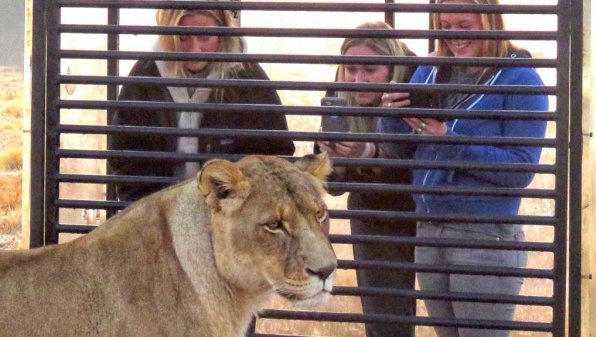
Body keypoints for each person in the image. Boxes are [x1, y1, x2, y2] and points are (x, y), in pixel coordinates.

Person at [373, 1, 549, 337]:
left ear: (489, 22)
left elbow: (520, 170)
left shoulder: (521, 80)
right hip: (428, 232)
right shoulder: (430, 71)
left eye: (464, 26)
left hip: (484, 237)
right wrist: (391, 116)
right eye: (446, 25)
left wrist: (448, 139)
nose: (454, 36)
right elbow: (400, 151)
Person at [108, 5, 294, 202]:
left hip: (231, 216)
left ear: (222, 33)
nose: (194, 49)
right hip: (162, 215)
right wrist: (145, 214)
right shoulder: (145, 76)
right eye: (182, 37)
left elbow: (276, 154)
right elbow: (124, 154)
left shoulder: (249, 79)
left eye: (204, 37)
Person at [315, 21, 417, 337]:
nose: (358, 80)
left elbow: (426, 163)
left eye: (370, 70)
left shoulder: (417, 85)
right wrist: (334, 160)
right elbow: (333, 186)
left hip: (427, 210)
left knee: (453, 314)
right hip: (374, 215)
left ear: (392, 67)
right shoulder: (338, 94)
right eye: (351, 69)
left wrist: (369, 153)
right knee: (386, 319)